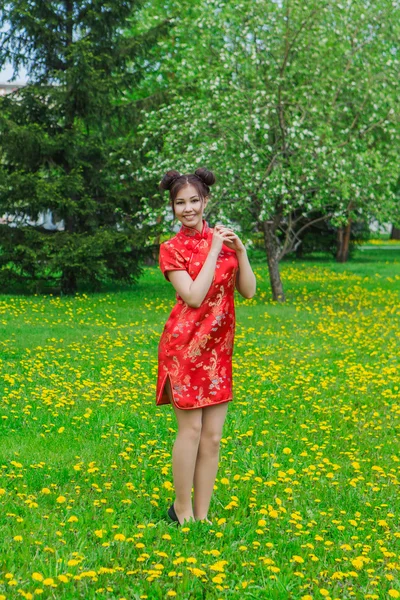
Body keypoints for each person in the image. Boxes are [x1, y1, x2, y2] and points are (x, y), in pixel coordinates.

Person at [156, 167, 256, 526]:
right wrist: (215, 248)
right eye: (180, 203)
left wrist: (240, 251)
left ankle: (202, 514)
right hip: (183, 348)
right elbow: (195, 297)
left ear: (206, 200)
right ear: (172, 207)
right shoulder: (171, 249)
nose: (188, 208)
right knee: (192, 431)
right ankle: (181, 510)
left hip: (217, 352)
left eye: (194, 200)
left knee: (212, 438)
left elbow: (248, 290)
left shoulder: (225, 239)